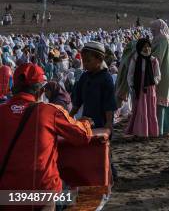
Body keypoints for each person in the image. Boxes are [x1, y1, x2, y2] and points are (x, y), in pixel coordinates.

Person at [0, 63, 95, 200]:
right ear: (40, 92)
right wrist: (86, 123)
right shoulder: (50, 111)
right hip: (42, 193)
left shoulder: (2, 111)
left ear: (13, 88)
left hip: (5, 194)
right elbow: (83, 136)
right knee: (81, 195)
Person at [70, 42, 117, 130]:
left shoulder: (106, 79)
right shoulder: (84, 77)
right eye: (83, 61)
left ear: (100, 59)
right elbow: (78, 101)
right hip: (86, 123)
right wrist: (69, 117)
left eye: (88, 61)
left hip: (102, 123)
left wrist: (109, 122)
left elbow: (109, 103)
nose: (85, 64)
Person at [125, 38, 161, 138]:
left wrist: (152, 82)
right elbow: (130, 73)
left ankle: (150, 131)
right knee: (139, 108)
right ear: (140, 47)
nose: (146, 48)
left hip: (149, 88)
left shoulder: (153, 60)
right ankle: (140, 131)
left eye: (148, 46)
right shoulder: (135, 59)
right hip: (138, 87)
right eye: (144, 46)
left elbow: (158, 75)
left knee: (150, 108)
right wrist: (132, 84)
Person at [151, 19, 169, 137]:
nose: (152, 32)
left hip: (161, 74)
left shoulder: (161, 40)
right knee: (165, 100)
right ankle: (166, 128)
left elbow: (157, 59)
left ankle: (159, 129)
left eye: (153, 29)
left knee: (160, 100)